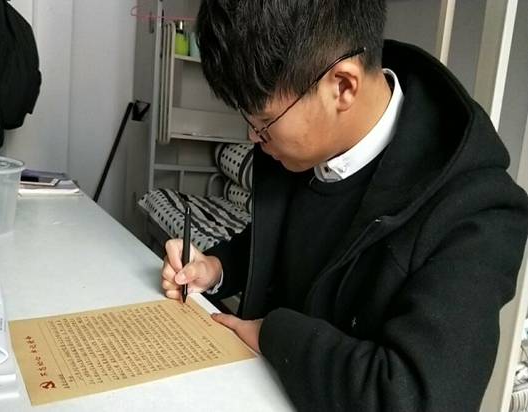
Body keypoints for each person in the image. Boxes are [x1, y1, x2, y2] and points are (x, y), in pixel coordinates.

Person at [160, 1, 528, 410]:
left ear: (343, 87)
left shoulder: (477, 212)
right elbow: (284, 244)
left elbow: (416, 398)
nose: (253, 137)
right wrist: (216, 267)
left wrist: (272, 335)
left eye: (263, 121)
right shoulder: (299, 149)